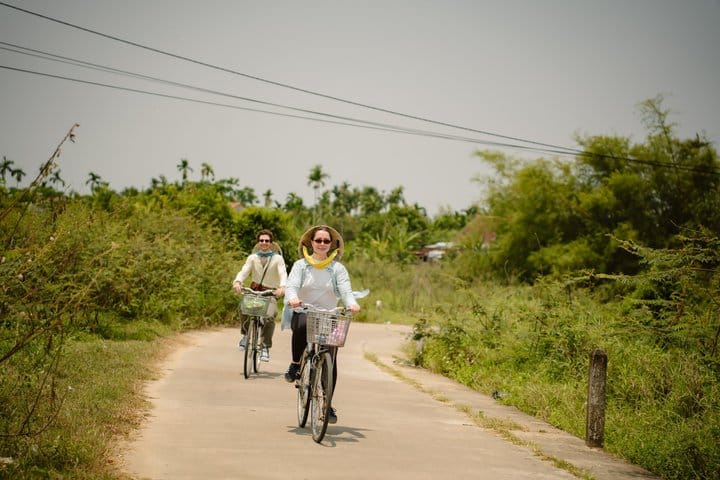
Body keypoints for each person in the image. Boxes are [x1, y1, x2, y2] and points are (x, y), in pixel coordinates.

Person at [282, 225, 361, 424]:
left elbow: (345, 289)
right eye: (318, 240)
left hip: (329, 315)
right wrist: (293, 298)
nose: (322, 244)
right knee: (301, 325)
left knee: (331, 357)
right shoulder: (301, 265)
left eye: (326, 241)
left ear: (332, 244)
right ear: (311, 242)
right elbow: (292, 286)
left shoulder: (337, 268)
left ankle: (327, 403)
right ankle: (295, 365)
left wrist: (351, 303)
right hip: (304, 310)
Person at [232, 229, 287, 362]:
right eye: (261, 240)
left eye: (267, 241)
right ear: (258, 242)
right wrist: (238, 281)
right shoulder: (252, 257)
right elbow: (244, 271)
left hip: (270, 293)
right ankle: (246, 335)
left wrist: (282, 287)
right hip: (254, 292)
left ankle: (265, 346)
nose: (264, 243)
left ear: (271, 243)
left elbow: (282, 273)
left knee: (270, 316)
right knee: (243, 308)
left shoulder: (277, 259)